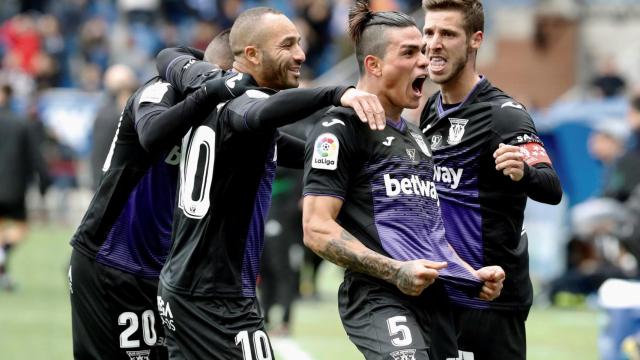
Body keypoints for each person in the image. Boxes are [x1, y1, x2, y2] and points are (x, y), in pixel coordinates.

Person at [155, 7, 386, 360]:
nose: (300, 54)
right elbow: (261, 111)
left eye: (299, 43)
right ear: (251, 54)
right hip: (215, 298)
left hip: (186, 285)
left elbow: (297, 151)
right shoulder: (244, 105)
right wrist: (336, 93)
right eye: (288, 45)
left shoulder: (216, 98)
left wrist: (361, 163)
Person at [302, 2, 504, 359]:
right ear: (373, 65)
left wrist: (471, 274)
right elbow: (316, 228)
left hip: (434, 296)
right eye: (410, 52)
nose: (424, 62)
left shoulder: (417, 136)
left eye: (423, 52)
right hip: (378, 297)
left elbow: (427, 233)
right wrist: (395, 271)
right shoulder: (340, 128)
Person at [67, 33, 253, 359]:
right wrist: (210, 91)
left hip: (165, 269)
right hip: (110, 258)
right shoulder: (160, 90)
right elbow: (152, 134)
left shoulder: (227, 115)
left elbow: (284, 146)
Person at [419, 1, 563, 359]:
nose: (434, 43)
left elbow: (551, 187)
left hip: (491, 301)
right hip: (442, 293)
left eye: (447, 34)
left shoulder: (504, 116)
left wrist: (524, 172)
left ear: (475, 40)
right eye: (429, 32)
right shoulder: (430, 111)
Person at [0, 84, 50, 291]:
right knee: (20, 229)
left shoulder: (22, 123)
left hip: (11, 188)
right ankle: (3, 265)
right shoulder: (22, 124)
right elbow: (36, 158)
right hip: (13, 188)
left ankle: (3, 270)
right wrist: (44, 183)